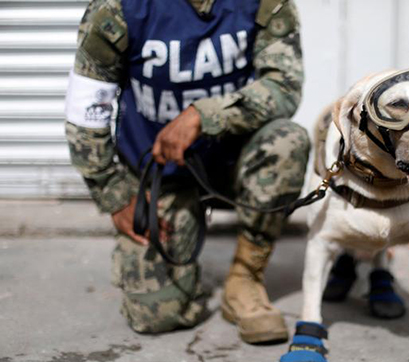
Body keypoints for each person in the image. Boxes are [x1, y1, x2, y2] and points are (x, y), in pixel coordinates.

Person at [64, 0, 309, 344]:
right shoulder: (119, 8)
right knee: (157, 315)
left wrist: (203, 115)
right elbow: (87, 107)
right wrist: (114, 194)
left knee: (288, 142)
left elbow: (283, 86)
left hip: (232, 161)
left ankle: (245, 279)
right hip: (157, 170)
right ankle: (184, 245)